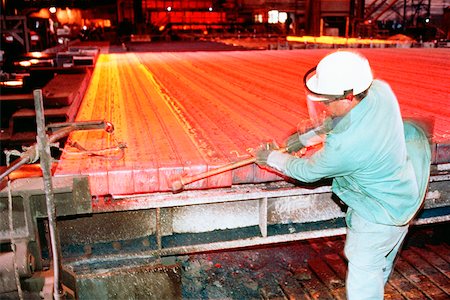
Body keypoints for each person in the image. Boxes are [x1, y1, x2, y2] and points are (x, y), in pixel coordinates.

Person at [255, 50, 431, 299]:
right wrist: (304, 139)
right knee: (380, 260)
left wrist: (271, 158)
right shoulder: (379, 90)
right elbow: (342, 121)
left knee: (364, 268)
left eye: (326, 101)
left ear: (348, 97)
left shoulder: (347, 147)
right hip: (404, 194)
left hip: (380, 214)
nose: (324, 106)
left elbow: (307, 171)